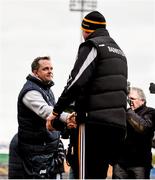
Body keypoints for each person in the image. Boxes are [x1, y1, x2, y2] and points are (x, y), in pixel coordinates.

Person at [46, 11, 128, 179]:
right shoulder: (120, 52)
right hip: (117, 127)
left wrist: (55, 112)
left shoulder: (92, 46)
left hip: (93, 125)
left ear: (86, 30)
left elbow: (75, 82)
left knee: (85, 175)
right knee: (99, 175)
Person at [16, 56, 75, 179]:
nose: (50, 71)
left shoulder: (46, 90)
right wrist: (67, 117)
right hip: (37, 153)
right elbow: (46, 111)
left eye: (51, 68)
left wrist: (65, 127)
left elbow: (53, 118)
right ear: (35, 72)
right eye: (45, 69)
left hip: (49, 151)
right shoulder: (30, 92)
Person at [112, 87, 155, 179]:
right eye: (128, 99)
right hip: (120, 164)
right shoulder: (124, 113)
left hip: (139, 165)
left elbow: (143, 127)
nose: (130, 101)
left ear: (142, 100)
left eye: (133, 99)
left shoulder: (150, 112)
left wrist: (128, 112)